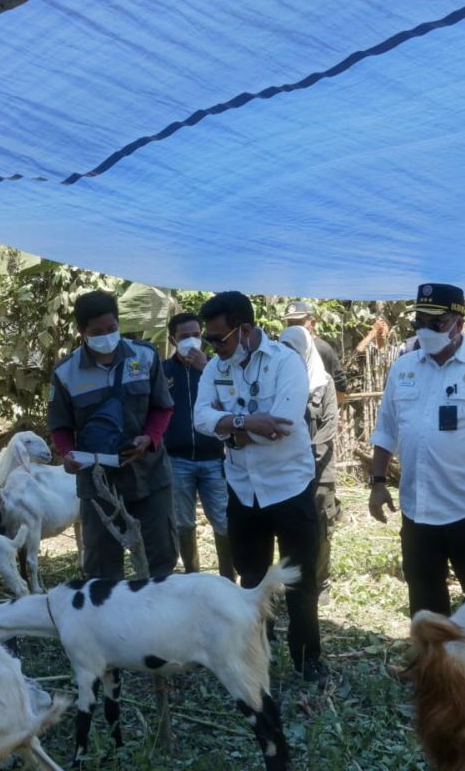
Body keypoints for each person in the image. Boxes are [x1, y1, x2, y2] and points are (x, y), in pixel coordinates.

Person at [193, 291, 327, 685]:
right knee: (250, 580)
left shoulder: (285, 362)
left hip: (289, 488)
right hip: (242, 489)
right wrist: (245, 424)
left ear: (245, 330)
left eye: (219, 338)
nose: (213, 348)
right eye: (209, 341)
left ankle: (308, 659)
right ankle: (258, 654)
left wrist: (228, 426)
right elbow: (200, 417)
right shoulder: (215, 369)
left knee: (299, 580)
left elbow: (282, 425)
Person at [369, 283, 465, 618]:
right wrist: (378, 482)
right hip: (418, 509)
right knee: (425, 604)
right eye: (419, 322)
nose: (425, 330)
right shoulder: (405, 368)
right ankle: (430, 666)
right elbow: (386, 428)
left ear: (458, 321)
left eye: (435, 322)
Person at [48, 290, 177, 580]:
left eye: (112, 329)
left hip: (149, 476)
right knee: (102, 568)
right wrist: (67, 453)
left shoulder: (145, 357)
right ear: (82, 332)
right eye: (97, 332)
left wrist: (150, 438)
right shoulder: (66, 373)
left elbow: (163, 407)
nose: (106, 336)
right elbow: (60, 426)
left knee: (161, 558)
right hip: (98, 483)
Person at [162, 312, 232, 577]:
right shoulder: (163, 371)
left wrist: (206, 369)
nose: (191, 341)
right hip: (177, 459)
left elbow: (232, 401)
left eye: (196, 335)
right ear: (172, 339)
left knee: (223, 521)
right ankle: (193, 576)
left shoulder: (218, 367)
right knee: (183, 523)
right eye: (184, 337)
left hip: (214, 457)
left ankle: (228, 579)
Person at [278, 325, 337, 600]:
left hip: (319, 467)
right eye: (285, 348)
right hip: (286, 469)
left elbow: (329, 425)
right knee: (289, 529)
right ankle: (292, 581)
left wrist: (306, 454)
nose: (290, 354)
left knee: (322, 524)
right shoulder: (278, 380)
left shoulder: (323, 382)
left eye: (295, 349)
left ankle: (321, 581)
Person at [283, 301, 347, 406]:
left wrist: (329, 409)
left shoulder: (323, 349)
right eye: (290, 324)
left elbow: (340, 383)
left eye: (299, 323)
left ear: (312, 323)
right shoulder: (284, 348)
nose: (294, 328)